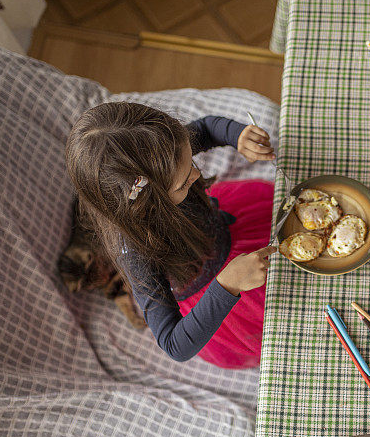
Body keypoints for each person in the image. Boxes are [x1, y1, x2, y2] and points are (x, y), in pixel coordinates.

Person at [66, 102, 276, 368]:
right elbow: (174, 344)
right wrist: (226, 287)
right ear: (146, 203)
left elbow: (206, 128)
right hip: (218, 293)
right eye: (184, 181)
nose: (198, 174)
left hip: (229, 229)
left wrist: (237, 135)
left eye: (191, 163)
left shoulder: (165, 150)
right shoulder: (137, 253)